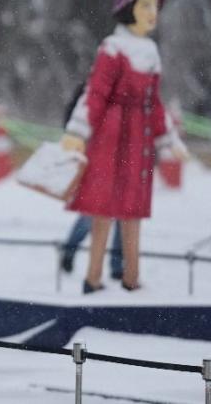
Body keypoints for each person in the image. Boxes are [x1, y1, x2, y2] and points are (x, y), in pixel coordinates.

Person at [61, 0, 187, 294]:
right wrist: (78, 131)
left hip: (137, 142)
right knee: (102, 209)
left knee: (132, 209)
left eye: (155, 6)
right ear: (128, 6)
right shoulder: (112, 48)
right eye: (145, 5)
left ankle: (132, 276)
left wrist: (168, 137)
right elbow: (96, 93)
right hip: (109, 139)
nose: (152, 13)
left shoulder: (151, 54)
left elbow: (154, 103)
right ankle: (93, 277)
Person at [59, 82, 123, 278]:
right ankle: (69, 250)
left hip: (123, 160)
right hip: (96, 160)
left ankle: (117, 266)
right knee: (91, 211)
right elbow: (72, 123)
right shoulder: (90, 89)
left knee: (123, 213)